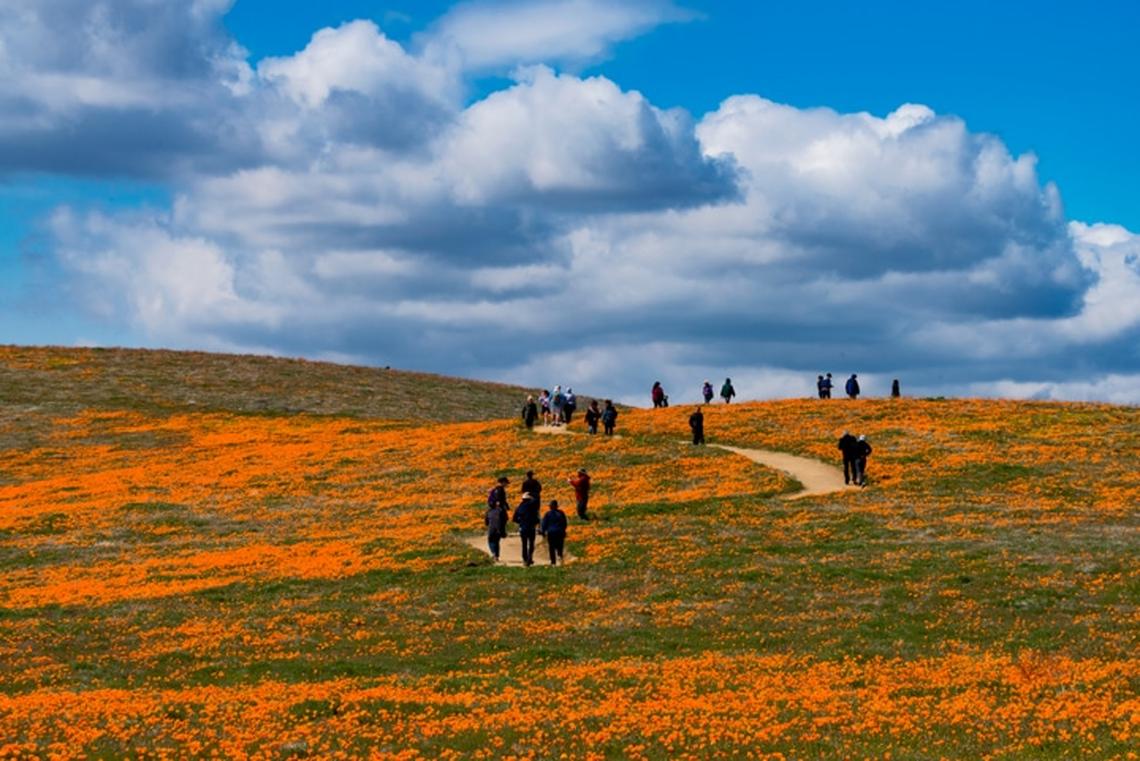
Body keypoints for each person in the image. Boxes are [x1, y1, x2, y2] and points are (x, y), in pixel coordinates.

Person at [512, 492, 541, 566]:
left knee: (524, 544)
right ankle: (529, 558)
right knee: (531, 543)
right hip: (531, 527)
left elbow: (514, 519)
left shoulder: (519, 507)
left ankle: (525, 559)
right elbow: (537, 518)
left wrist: (521, 522)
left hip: (523, 528)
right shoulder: (533, 507)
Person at [539, 499, 568, 565]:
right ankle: (560, 557)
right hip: (560, 532)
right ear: (557, 506)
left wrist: (543, 532)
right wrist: (563, 530)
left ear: (550, 507)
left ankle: (553, 562)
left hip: (551, 533)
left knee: (551, 547)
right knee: (560, 546)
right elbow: (565, 523)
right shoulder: (561, 513)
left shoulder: (548, 514)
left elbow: (544, 524)